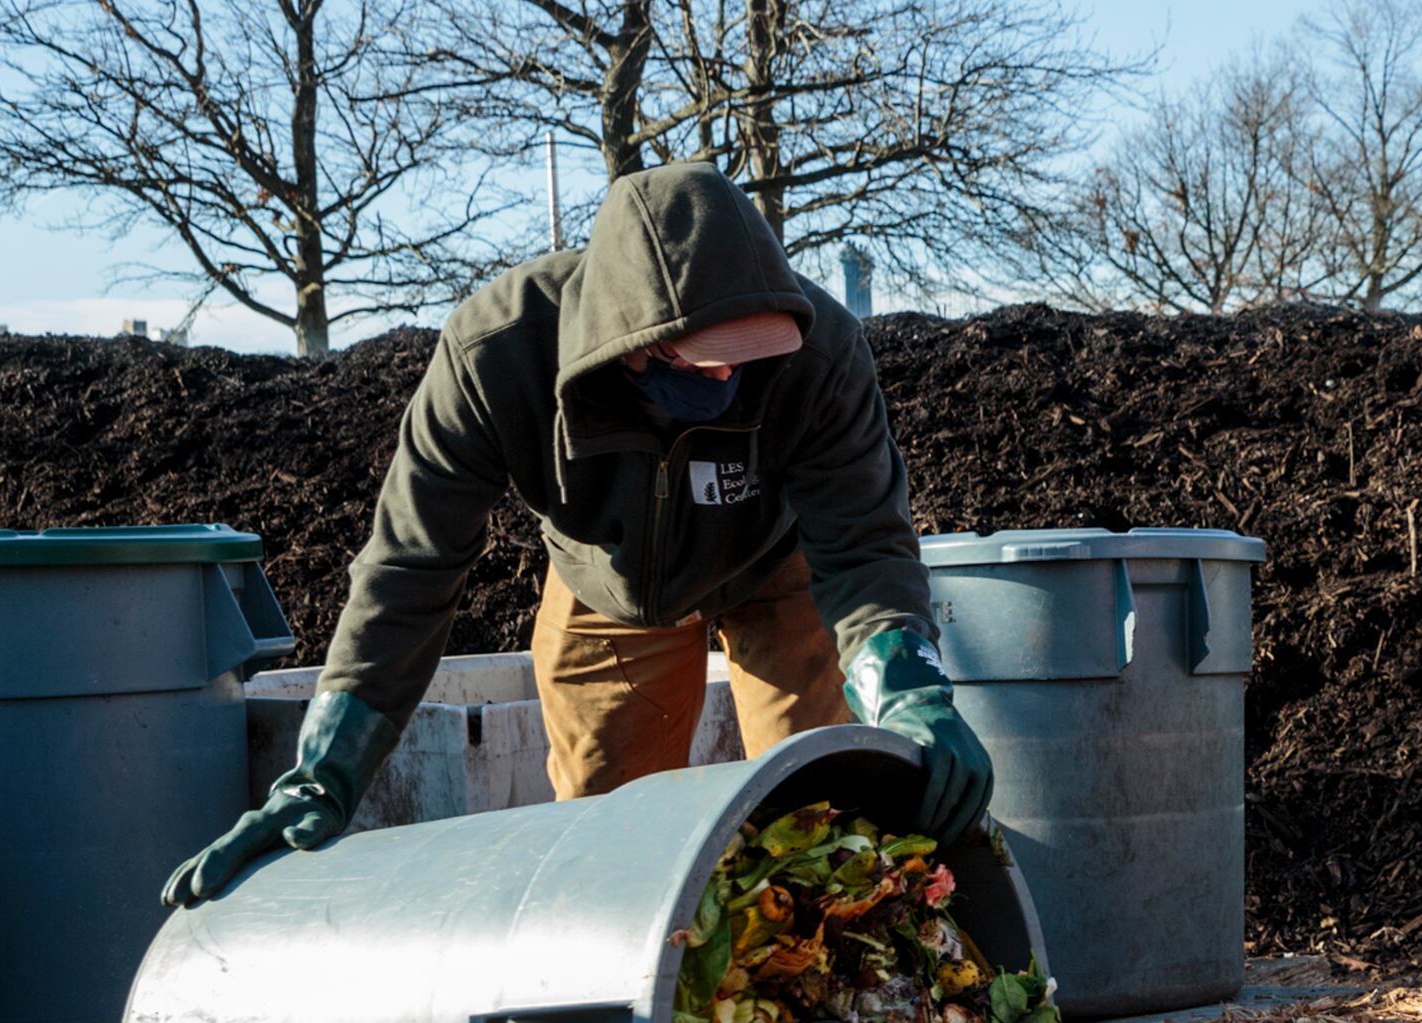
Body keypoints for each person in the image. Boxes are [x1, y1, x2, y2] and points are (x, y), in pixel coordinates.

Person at [163, 162, 988, 906]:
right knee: (611, 838)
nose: (731, 380)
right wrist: (324, 773)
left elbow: (868, 547)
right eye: (704, 364)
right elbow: (410, 569)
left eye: (746, 361)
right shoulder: (498, 355)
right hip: (609, 579)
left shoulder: (820, 352)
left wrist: (911, 692)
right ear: (631, 339)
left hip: (780, 567)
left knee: (823, 814)